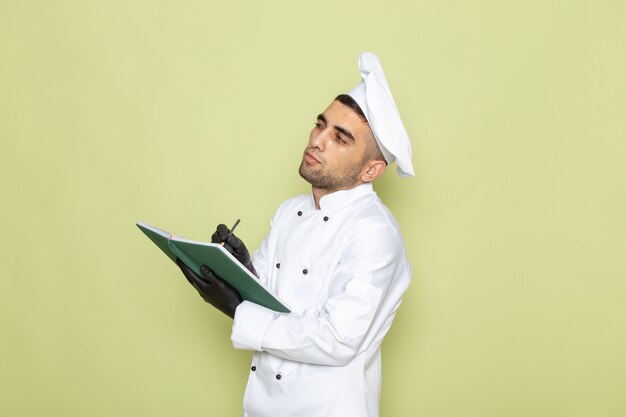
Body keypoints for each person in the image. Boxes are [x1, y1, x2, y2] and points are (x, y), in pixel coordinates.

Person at [177, 52, 413, 417]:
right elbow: (275, 300)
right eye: (320, 125)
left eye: (340, 138)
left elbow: (337, 338)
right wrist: (242, 270)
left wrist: (238, 307)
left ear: (372, 170)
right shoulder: (290, 210)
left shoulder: (374, 233)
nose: (318, 141)